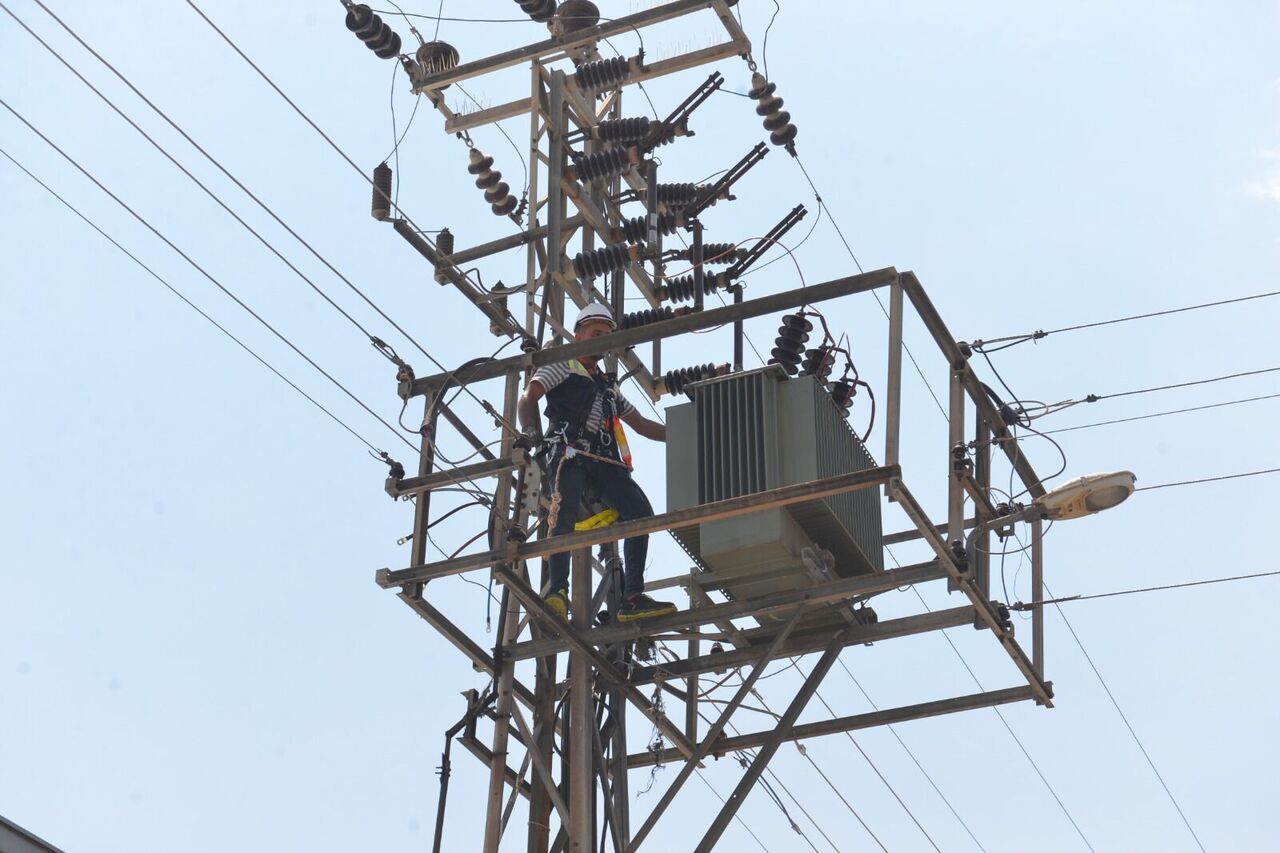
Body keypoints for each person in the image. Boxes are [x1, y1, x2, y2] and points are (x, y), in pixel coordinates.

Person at [516, 303, 675, 622]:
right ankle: (558, 592)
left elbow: (642, 425)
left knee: (640, 512)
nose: (601, 339)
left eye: (606, 335)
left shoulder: (608, 386)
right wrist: (531, 434)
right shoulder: (563, 363)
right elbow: (529, 396)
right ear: (579, 335)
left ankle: (632, 597)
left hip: (604, 460)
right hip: (569, 454)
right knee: (561, 517)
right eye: (595, 333)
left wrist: (686, 431)